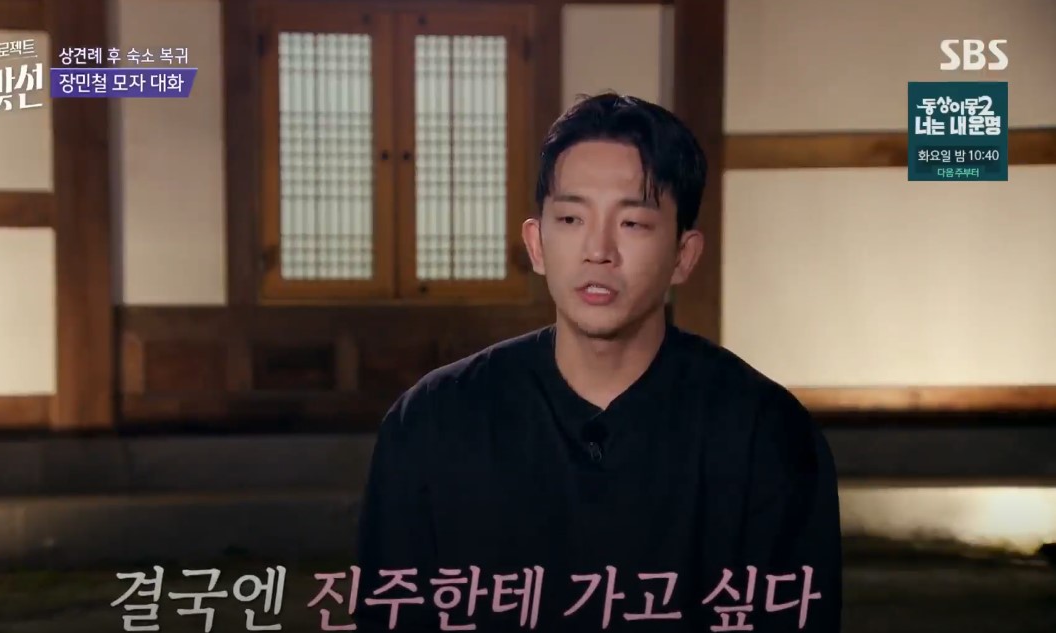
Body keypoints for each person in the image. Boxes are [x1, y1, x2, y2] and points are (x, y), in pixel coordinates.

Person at [355, 92, 842, 633]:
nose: (598, 250)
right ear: (537, 244)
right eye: (570, 218)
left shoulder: (766, 434)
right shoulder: (433, 420)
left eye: (632, 223)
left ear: (684, 256)